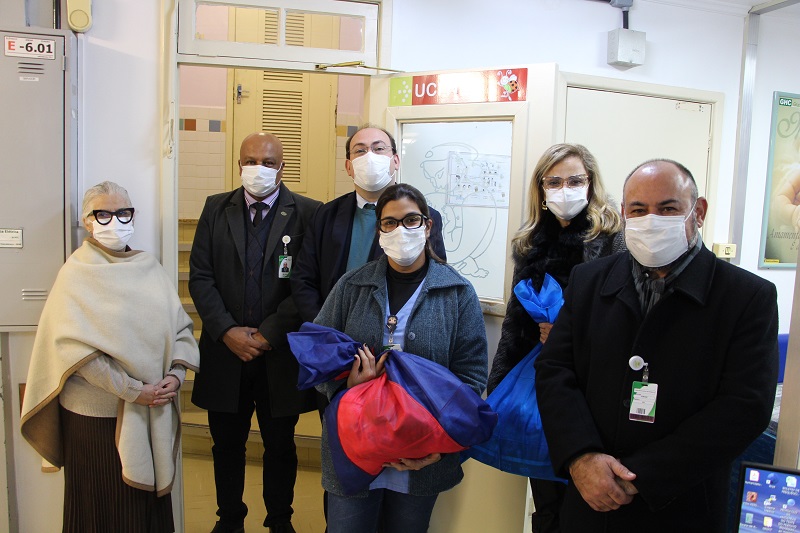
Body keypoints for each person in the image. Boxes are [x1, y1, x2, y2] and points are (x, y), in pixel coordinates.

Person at [534, 159, 779, 532]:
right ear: (623, 214)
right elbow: (554, 370)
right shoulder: (590, 281)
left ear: (698, 212)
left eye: (667, 209)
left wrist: (640, 477)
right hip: (590, 501)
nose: (651, 220)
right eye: (638, 209)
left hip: (683, 505)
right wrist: (581, 458)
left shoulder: (746, 297)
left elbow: (745, 406)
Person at [20, 180, 200, 533]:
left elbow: (180, 329)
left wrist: (175, 376)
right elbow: (73, 350)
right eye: (103, 214)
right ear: (87, 221)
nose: (114, 221)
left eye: (123, 213)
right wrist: (132, 390)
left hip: (151, 409)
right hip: (95, 420)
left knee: (145, 512)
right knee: (100, 510)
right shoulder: (75, 273)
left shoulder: (150, 268)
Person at [314, 183, 488, 533]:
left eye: (411, 220)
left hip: (420, 456)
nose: (400, 230)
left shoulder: (457, 292)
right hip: (356, 445)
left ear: (428, 226)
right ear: (379, 230)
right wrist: (348, 386)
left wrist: (437, 445)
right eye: (390, 222)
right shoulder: (352, 286)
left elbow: (471, 376)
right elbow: (317, 354)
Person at [487, 143, 624, 532]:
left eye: (575, 180)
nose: (565, 189)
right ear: (542, 189)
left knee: (586, 503)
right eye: (555, 182)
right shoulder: (529, 241)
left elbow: (626, 317)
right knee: (546, 502)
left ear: (591, 183)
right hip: (541, 385)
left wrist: (569, 334)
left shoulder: (614, 236)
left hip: (594, 387)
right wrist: (498, 390)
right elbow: (516, 323)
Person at [189, 133, 322, 533]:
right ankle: (229, 519)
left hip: (278, 354)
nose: (257, 168)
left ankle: (280, 520)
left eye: (267, 161)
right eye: (249, 161)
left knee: (280, 445)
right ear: (239, 164)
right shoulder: (216, 208)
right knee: (226, 444)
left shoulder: (308, 212)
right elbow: (201, 277)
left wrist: (267, 334)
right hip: (224, 352)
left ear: (282, 167)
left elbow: (307, 283)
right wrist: (226, 330)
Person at [291, 124, 447, 325]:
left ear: (396, 161)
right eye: (360, 151)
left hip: (392, 331)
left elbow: (433, 282)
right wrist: (324, 327)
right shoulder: (325, 215)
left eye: (378, 148)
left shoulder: (422, 218)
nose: (370, 156)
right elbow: (304, 278)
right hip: (331, 329)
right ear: (349, 167)